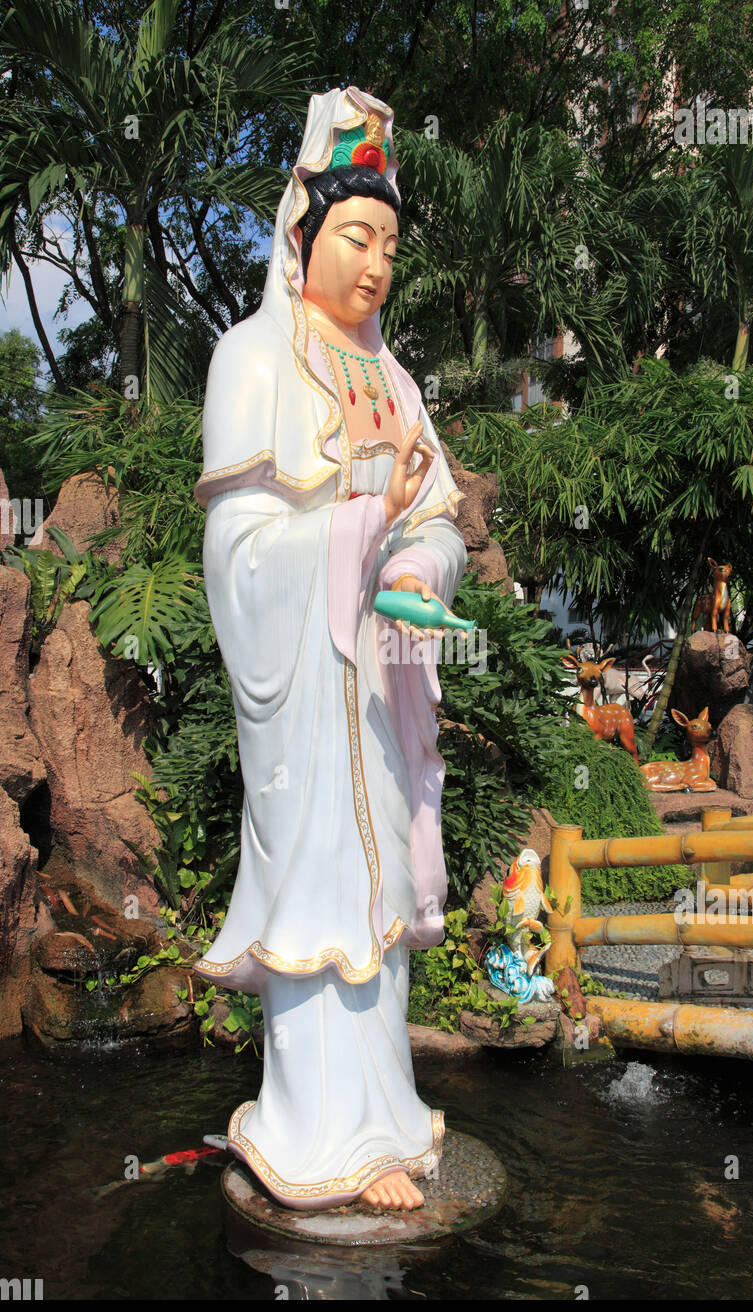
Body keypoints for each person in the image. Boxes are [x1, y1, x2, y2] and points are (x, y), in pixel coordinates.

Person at [192, 86, 468, 1212]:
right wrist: (356, 519)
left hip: (377, 681)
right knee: (316, 887)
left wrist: (411, 564)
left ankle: (384, 1118)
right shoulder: (250, 357)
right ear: (302, 234)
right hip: (304, 683)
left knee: (379, 890)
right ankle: (309, 1132)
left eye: (390, 243)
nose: (375, 264)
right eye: (355, 235)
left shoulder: (395, 381)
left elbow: (438, 520)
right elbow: (236, 548)